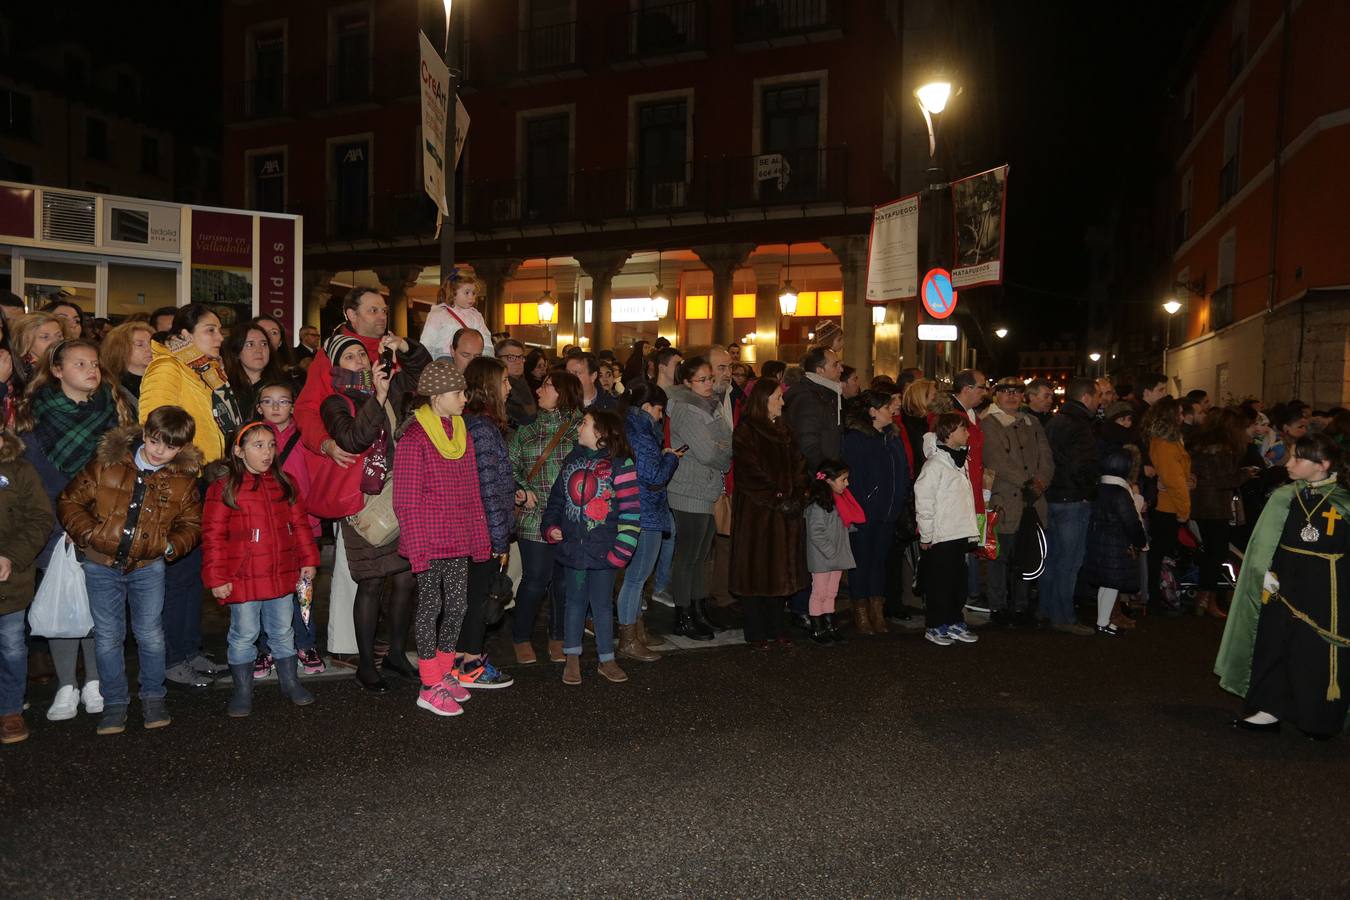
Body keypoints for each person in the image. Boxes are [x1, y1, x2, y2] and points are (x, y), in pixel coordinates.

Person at [56, 406, 203, 735]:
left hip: (148, 566)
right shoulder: (108, 463)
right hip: (101, 564)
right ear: (145, 433)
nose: (159, 451)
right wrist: (90, 534)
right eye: (154, 441)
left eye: (170, 447)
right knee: (108, 637)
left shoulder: (183, 480)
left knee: (150, 635)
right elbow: (69, 500)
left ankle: (153, 697)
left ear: (182, 448)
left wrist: (170, 546)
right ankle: (115, 704)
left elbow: (192, 524)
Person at [17, 339, 134, 721]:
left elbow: (124, 476)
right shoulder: (35, 417)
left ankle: (96, 681)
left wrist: (98, 519)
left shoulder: (115, 414)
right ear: (57, 371)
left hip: (103, 523)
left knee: (101, 604)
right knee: (63, 602)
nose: (91, 369)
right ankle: (66, 685)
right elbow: (34, 479)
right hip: (53, 523)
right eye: (80, 363)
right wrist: (64, 522)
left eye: (95, 363)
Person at [1217, 434, 1349, 739]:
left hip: (1327, 587)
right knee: (1274, 642)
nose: (1288, 464)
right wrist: (1261, 570)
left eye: (1297, 459)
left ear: (1322, 465)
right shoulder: (1285, 496)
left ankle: (1319, 718)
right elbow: (1265, 540)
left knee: (1315, 651)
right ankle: (1268, 709)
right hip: (1283, 583)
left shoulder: (1344, 501)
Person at [319, 331, 429, 691]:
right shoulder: (334, 403)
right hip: (363, 505)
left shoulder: (392, 386)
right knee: (370, 583)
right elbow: (353, 439)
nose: (360, 362)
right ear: (337, 366)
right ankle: (366, 664)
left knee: (405, 579)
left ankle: (396, 653)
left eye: (361, 356)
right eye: (349, 357)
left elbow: (421, 372)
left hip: (400, 497)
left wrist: (406, 348)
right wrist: (377, 398)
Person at [139, 303, 240, 686]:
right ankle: (170, 658)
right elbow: (155, 426)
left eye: (219, 330)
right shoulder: (167, 367)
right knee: (177, 575)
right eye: (210, 330)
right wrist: (186, 471)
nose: (219, 338)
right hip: (179, 482)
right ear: (183, 336)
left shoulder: (205, 371)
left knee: (193, 574)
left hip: (205, 479)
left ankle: (190, 650)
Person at [393, 360, 491, 717]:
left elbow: (471, 491)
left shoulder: (460, 430)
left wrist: (479, 538)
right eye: (458, 393)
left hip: (457, 538)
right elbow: (405, 500)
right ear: (436, 396)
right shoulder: (415, 437)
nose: (465, 398)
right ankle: (428, 683)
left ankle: (445, 673)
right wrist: (417, 550)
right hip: (429, 541)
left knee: (457, 607)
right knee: (430, 608)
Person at [202, 421, 318, 716]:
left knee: (282, 630)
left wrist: (308, 560)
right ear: (238, 451)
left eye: (271, 445)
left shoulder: (283, 482)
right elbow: (213, 535)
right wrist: (217, 577)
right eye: (258, 446)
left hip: (280, 572)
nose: (267, 452)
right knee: (244, 632)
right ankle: (242, 690)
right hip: (243, 576)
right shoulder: (224, 488)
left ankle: (290, 682)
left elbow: (300, 525)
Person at [542, 409, 641, 684]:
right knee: (573, 603)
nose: (578, 428)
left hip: (604, 551)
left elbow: (632, 512)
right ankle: (571, 657)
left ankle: (606, 658)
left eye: (584, 423)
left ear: (600, 432)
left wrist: (622, 551)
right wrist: (551, 528)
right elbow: (556, 501)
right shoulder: (571, 460)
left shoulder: (622, 464)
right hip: (574, 550)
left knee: (601, 604)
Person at [509, 370, 584, 665]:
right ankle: (521, 636)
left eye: (547, 386)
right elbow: (510, 466)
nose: (539, 391)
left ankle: (558, 636)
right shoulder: (526, 430)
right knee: (535, 580)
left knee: (564, 582)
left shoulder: (582, 427)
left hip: (571, 518)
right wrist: (520, 489)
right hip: (533, 515)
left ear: (564, 391)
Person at [729, 377, 809, 648]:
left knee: (779, 573)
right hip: (758, 516)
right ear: (764, 401)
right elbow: (750, 474)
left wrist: (798, 495)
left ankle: (777, 627)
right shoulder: (747, 432)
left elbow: (800, 466)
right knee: (757, 572)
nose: (782, 402)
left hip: (785, 515)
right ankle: (756, 631)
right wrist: (777, 497)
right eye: (778, 397)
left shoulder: (786, 431)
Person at [453, 357, 516, 691]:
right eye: (504, 381)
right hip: (481, 531)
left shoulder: (478, 424)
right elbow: (487, 487)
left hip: (478, 527)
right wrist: (499, 539)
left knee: (473, 599)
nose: (509, 387)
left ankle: (464, 660)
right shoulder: (482, 428)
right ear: (488, 386)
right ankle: (470, 665)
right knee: (478, 600)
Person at [251, 379, 323, 674]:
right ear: (258, 408)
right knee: (266, 589)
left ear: (293, 406)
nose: (276, 407)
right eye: (268, 401)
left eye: (283, 401)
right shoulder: (252, 440)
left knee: (302, 590)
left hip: (305, 526)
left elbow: (318, 478)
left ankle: (305, 643)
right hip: (266, 531)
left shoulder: (306, 436)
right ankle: (265, 648)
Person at [666, 356, 733, 639]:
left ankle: (698, 609)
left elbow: (729, 443)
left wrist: (721, 450)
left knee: (702, 554)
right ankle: (683, 614)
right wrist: (721, 451)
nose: (709, 384)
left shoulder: (710, 406)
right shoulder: (685, 409)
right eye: (702, 380)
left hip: (705, 488)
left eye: (710, 378)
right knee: (688, 555)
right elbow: (709, 454)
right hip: (688, 489)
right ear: (686, 382)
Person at [981, 377, 1055, 627]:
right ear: (996, 395)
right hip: (1005, 501)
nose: (1012, 396)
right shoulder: (988, 423)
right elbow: (996, 460)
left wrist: (1041, 482)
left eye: (1016, 392)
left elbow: (1047, 456)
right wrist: (1027, 482)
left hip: (1031, 502)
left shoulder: (1032, 422)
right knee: (999, 559)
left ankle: (1021, 606)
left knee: (1027, 555)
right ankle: (998, 607)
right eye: (1006, 392)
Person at [617, 382, 681, 661]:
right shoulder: (641, 434)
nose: (661, 416)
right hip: (645, 514)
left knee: (636, 578)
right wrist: (670, 460)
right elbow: (653, 477)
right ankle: (628, 639)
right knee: (636, 579)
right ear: (646, 407)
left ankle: (637, 631)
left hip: (635, 511)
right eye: (658, 410)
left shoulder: (629, 428)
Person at [0, 428, 56, 745]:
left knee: (10, 644)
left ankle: (9, 709)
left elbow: (39, 517)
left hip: (10, 577)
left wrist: (12, 556)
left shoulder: (19, 469)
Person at [840, 389, 911, 635]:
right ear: (872, 412)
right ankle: (860, 610)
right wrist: (863, 503)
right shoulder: (856, 439)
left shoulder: (893, 437)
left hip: (889, 511)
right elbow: (853, 477)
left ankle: (877, 610)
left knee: (880, 562)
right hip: (865, 511)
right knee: (861, 562)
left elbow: (902, 470)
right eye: (886, 406)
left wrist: (900, 496)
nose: (892, 410)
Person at [1040, 377, 1101, 635]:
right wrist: (1089, 491)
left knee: (1052, 559)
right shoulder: (1081, 426)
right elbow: (1080, 465)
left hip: (1053, 497)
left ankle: (1047, 609)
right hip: (1072, 499)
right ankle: (1064, 615)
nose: (1099, 401)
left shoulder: (1055, 422)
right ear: (1086, 397)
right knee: (1069, 562)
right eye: (1097, 396)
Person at [915, 413, 980, 646]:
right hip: (942, 535)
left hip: (959, 531)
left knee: (957, 581)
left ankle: (953, 620)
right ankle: (935, 624)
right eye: (963, 429)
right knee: (940, 582)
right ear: (950, 433)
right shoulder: (935, 464)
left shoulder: (959, 461)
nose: (968, 433)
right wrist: (927, 534)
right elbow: (924, 501)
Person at [1190, 407, 1254, 620]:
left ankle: (1205, 598)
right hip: (1216, 506)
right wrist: (1246, 473)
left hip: (1201, 504)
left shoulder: (1200, 445)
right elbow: (1226, 480)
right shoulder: (1224, 449)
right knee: (1215, 554)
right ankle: (1208, 600)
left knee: (1211, 552)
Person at [1082, 449, 1149, 636]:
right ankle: (1103, 623)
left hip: (1099, 541)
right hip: (1116, 544)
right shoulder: (1120, 493)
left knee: (1105, 585)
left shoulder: (1100, 488)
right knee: (1112, 585)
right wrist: (1140, 540)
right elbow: (1130, 520)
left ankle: (1102, 621)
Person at [1144, 396, 1191, 613]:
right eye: (1179, 413)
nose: (1183, 418)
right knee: (1161, 553)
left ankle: (1158, 596)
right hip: (1167, 507)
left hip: (1168, 504)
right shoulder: (1166, 443)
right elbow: (1175, 480)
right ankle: (1157, 597)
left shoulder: (1167, 441)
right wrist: (1184, 511)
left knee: (1159, 552)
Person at [805, 459, 860, 645]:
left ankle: (830, 625)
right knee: (819, 592)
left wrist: (849, 527)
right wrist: (830, 551)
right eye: (843, 479)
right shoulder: (818, 505)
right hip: (823, 558)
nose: (847, 483)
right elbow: (816, 531)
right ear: (828, 480)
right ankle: (817, 628)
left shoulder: (839, 501)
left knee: (831, 592)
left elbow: (841, 524)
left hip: (836, 556)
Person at [784, 346, 843, 471]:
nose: (841, 369)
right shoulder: (808, 398)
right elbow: (807, 444)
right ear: (820, 370)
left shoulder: (826, 393)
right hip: (814, 477)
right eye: (835, 365)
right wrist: (825, 475)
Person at [420, 268, 493, 360]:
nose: (471, 297)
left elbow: (485, 338)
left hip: (472, 357)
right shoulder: (439, 313)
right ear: (453, 293)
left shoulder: (475, 316)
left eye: (473, 293)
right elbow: (427, 340)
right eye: (467, 292)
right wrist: (425, 361)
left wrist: (487, 357)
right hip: (446, 356)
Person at [222, 319, 286, 416]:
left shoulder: (284, 384)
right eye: (250, 344)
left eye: (264, 344)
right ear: (237, 352)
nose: (259, 350)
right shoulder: (224, 387)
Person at [99, 320, 155, 417]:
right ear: (120, 348)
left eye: (152, 343)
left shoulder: (163, 379)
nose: (150, 349)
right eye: (139, 345)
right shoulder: (109, 387)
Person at [8, 312, 64, 385]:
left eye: (59, 336)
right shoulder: (14, 372)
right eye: (45, 337)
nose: (56, 341)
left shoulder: (64, 364)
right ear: (25, 341)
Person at [496, 337, 537, 427]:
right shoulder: (497, 387)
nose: (518, 362)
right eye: (511, 358)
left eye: (520, 357)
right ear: (498, 359)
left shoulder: (525, 383)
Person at [900, 378, 936, 478]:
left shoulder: (923, 420)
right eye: (933, 397)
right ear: (922, 398)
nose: (935, 401)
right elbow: (921, 454)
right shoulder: (914, 424)